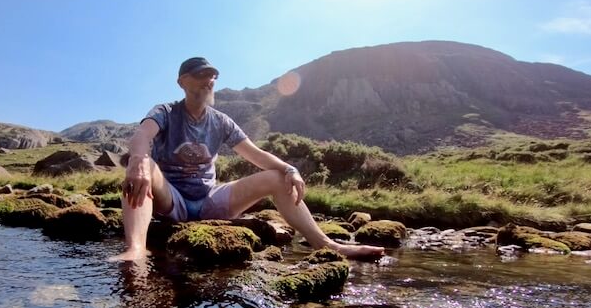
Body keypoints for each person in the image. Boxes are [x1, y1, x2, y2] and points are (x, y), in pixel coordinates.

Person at [109, 57, 385, 262]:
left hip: (209, 201)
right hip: (172, 201)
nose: (208, 80)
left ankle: (326, 244)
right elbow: (141, 137)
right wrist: (137, 161)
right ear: (182, 81)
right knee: (144, 164)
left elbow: (256, 155)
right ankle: (136, 249)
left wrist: (290, 169)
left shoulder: (222, 121)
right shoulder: (166, 111)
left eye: (212, 76)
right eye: (201, 75)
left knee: (279, 177)